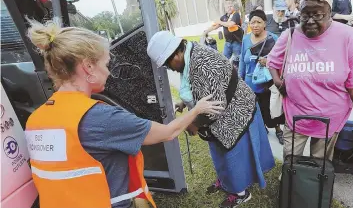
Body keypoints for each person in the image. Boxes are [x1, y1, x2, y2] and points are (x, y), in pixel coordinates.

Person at [24, 20, 223, 208]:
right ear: (88, 67)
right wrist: (197, 109)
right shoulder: (100, 118)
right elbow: (168, 133)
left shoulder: (36, 119)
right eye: (105, 64)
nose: (109, 73)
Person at [147, 31, 275, 208]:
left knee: (233, 156)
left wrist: (193, 124)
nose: (169, 68)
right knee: (219, 153)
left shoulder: (202, 63)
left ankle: (240, 192)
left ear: (177, 52)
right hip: (217, 117)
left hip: (234, 111)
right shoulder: (189, 55)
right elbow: (194, 86)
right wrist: (184, 103)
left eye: (168, 63)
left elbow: (216, 105)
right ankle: (225, 181)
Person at [267, 0, 353, 161]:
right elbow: (272, 61)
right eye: (305, 15)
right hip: (295, 117)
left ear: (330, 15)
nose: (310, 21)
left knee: (320, 166)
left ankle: (315, 187)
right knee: (291, 162)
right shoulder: (290, 35)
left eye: (317, 15)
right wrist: (279, 83)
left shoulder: (347, 36)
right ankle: (291, 185)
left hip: (329, 121)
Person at [239, 9, 284, 145]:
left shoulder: (273, 38)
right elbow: (242, 59)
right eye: (252, 22)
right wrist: (240, 80)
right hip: (250, 82)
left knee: (272, 108)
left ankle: (278, 130)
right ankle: (262, 128)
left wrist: (268, 62)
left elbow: (282, 60)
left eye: (258, 22)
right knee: (255, 109)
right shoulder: (246, 39)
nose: (255, 25)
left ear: (265, 23)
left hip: (268, 82)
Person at [203, 0, 244, 68]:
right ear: (225, 8)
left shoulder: (236, 14)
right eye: (227, 7)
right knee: (224, 60)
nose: (229, 8)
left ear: (233, 7)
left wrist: (220, 22)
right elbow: (215, 26)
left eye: (231, 6)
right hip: (227, 43)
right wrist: (205, 32)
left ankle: (240, 76)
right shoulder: (223, 17)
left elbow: (230, 24)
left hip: (237, 43)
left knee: (239, 61)